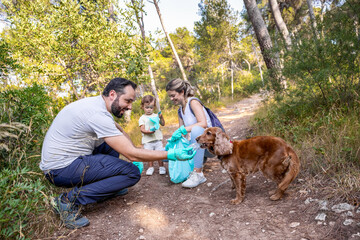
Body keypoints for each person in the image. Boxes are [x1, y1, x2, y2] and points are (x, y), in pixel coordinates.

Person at [40, 77, 195, 229]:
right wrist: (171, 154)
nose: (129, 107)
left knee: (113, 145)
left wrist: (133, 151)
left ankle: (110, 187)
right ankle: (67, 201)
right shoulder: (97, 114)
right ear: (113, 94)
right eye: (127, 101)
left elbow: (120, 135)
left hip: (68, 163)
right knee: (131, 174)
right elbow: (132, 154)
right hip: (60, 170)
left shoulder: (97, 106)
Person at [166, 78, 215, 188]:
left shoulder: (193, 102)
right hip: (199, 146)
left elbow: (203, 123)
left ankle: (198, 174)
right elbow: (182, 133)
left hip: (211, 145)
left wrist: (183, 130)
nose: (171, 98)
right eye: (170, 96)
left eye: (173, 95)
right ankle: (199, 159)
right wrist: (174, 140)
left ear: (182, 92)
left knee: (196, 130)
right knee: (166, 153)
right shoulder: (180, 110)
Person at [139, 95, 166, 176]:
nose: (149, 109)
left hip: (157, 139)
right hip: (148, 140)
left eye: (151, 107)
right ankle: (151, 167)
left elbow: (163, 124)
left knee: (159, 153)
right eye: (147, 107)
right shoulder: (142, 118)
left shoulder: (156, 116)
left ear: (154, 107)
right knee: (149, 154)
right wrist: (148, 132)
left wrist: (161, 117)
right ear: (143, 107)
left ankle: (161, 166)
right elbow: (142, 129)